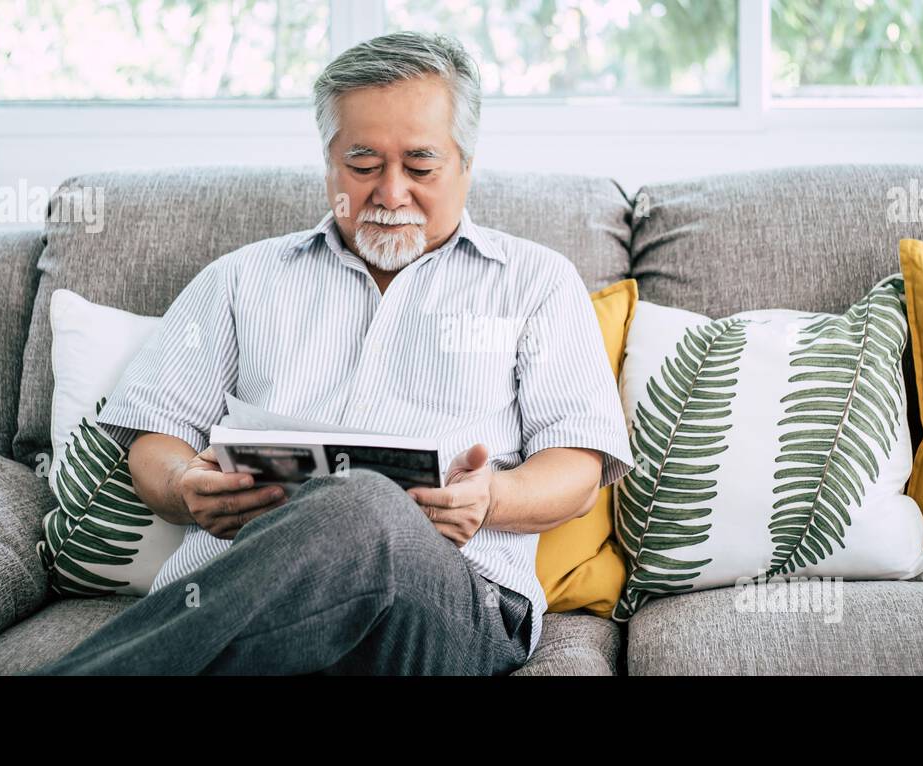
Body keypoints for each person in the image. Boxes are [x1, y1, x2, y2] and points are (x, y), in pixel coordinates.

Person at [31, 31, 633, 676]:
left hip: (453, 600)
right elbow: (155, 434)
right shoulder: (241, 278)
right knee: (351, 511)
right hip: (242, 586)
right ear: (329, 162)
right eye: (363, 164)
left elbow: (576, 463)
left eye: (421, 167)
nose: (391, 193)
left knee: (363, 502)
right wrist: (185, 487)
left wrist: (492, 498)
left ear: (465, 162)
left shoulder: (535, 281)